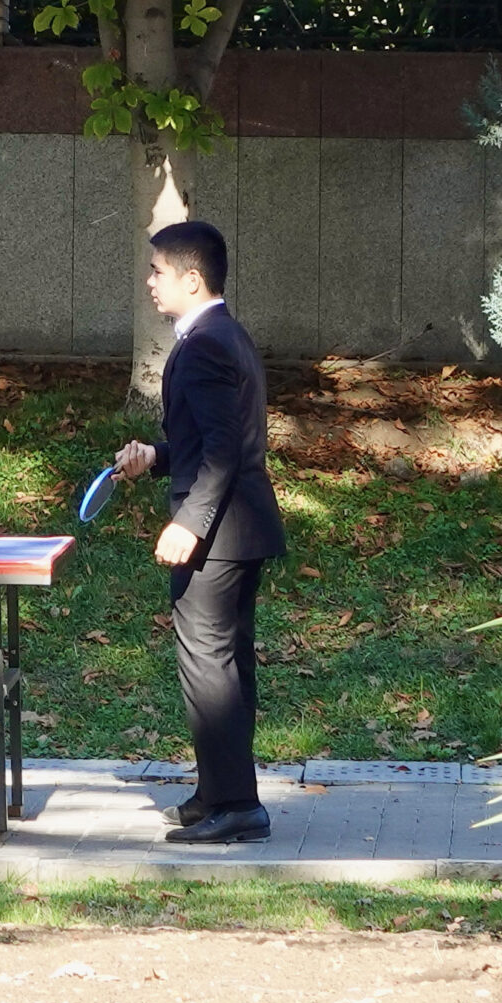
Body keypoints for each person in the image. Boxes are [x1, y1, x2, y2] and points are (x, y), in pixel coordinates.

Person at [110, 217, 285, 845]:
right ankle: (220, 791)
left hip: (220, 532)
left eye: (157, 271)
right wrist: (157, 456)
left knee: (210, 667)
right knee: (225, 664)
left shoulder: (206, 342)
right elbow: (212, 437)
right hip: (239, 528)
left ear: (191, 277)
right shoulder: (221, 334)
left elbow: (222, 453)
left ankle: (236, 804)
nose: (149, 281)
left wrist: (188, 522)